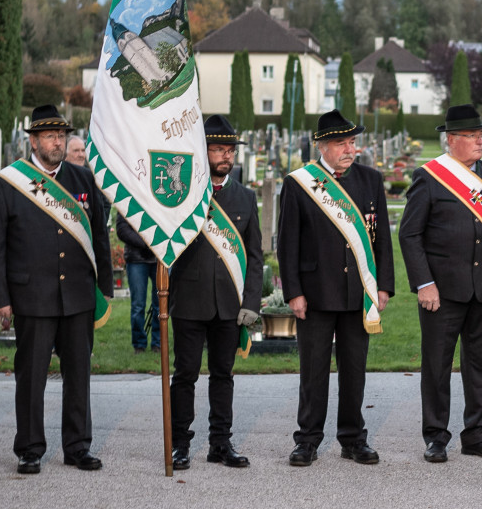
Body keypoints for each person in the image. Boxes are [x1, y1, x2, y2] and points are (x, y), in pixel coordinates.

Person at [0, 105, 114, 474]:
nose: (57, 142)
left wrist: (104, 288)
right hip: (32, 296)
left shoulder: (82, 179)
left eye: (61, 136)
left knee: (79, 375)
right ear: (34, 142)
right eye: (49, 137)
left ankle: (78, 446)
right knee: (31, 377)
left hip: (78, 296)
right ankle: (29, 448)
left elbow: (99, 237)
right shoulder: (9, 183)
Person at [398, 103, 482, 463]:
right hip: (442, 291)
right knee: (437, 366)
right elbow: (410, 234)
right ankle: (436, 436)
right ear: (451, 140)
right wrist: (424, 283)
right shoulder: (429, 176)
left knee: (480, 366)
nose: (481, 141)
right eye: (473, 135)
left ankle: (477, 434)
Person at [278, 109, 394, 467]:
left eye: (352, 142)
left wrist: (384, 286)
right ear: (322, 147)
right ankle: (307, 440)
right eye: (342, 143)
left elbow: (382, 239)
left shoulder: (371, 179)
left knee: (354, 370)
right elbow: (287, 243)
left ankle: (353, 438)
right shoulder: (299, 183)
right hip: (315, 292)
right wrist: (293, 292)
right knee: (313, 371)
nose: (350, 149)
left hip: (358, 291)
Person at [168, 115, 263, 469]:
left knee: (224, 375)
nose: (227, 156)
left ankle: (220, 443)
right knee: (185, 376)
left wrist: (251, 302)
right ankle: (179, 443)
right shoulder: (182, 192)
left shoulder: (245, 197)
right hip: (188, 301)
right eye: (219, 149)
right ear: (202, 150)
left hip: (229, 304)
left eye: (230, 150)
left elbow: (255, 256)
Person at [116, 213, 160, 353]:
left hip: (159, 258)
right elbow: (122, 229)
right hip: (136, 258)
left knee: (160, 305)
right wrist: (145, 244)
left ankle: (158, 343)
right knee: (138, 305)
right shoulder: (129, 199)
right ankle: (139, 344)